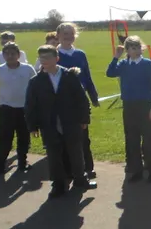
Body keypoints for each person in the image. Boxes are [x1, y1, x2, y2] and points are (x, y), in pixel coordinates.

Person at [25, 45, 97, 198]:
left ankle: (80, 179)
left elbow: (81, 100)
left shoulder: (69, 76)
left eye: (47, 57)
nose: (44, 61)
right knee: (54, 155)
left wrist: (84, 118)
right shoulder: (36, 81)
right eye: (41, 58)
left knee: (76, 152)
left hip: (71, 122)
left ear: (56, 58)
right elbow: (31, 105)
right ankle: (58, 184)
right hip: (49, 124)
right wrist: (32, 126)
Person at [106, 36, 151, 183]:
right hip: (129, 106)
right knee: (131, 139)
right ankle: (135, 170)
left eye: (138, 47)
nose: (136, 50)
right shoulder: (123, 64)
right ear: (127, 50)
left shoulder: (147, 64)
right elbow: (110, 73)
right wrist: (116, 57)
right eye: (132, 48)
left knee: (147, 139)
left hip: (144, 105)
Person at [56, 22, 99, 178]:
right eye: (65, 34)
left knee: (83, 136)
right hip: (61, 102)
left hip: (80, 102)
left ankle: (88, 168)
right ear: (58, 36)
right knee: (64, 138)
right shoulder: (54, 54)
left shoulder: (80, 54)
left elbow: (86, 75)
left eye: (71, 34)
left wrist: (93, 95)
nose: (68, 37)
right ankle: (68, 171)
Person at [0, 41, 36, 175]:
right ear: (3, 55)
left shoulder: (28, 69)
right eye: (7, 54)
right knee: (4, 139)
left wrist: (35, 107)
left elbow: (35, 88)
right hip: (6, 110)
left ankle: (22, 163)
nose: (10, 56)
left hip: (24, 110)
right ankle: (0, 165)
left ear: (18, 55)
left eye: (13, 53)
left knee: (24, 138)